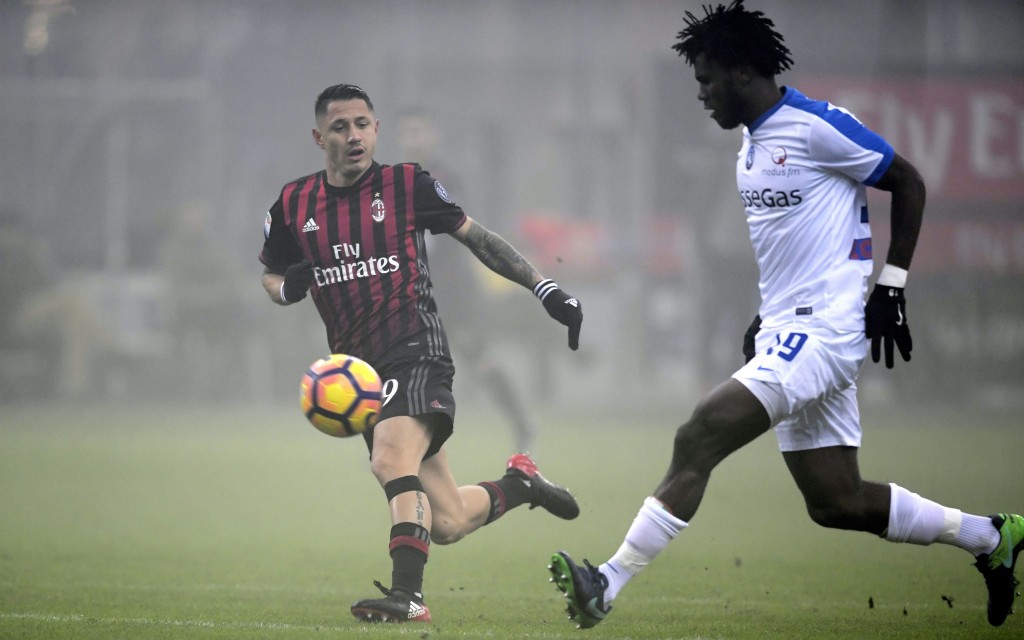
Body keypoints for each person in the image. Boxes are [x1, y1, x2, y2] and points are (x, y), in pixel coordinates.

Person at [546, 1, 1021, 630]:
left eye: (707, 79)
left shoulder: (819, 126)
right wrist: (763, 318)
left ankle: (606, 582)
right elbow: (797, 243)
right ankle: (992, 538)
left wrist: (892, 288)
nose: (702, 94)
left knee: (699, 433)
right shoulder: (749, 145)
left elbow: (908, 182)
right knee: (836, 501)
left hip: (823, 331)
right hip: (788, 325)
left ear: (743, 71)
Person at [259, 84, 583, 624]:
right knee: (449, 520)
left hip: (416, 349)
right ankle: (521, 484)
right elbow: (270, 274)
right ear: (320, 138)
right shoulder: (293, 204)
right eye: (340, 127)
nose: (353, 135)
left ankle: (408, 596)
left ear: (376, 129)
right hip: (358, 373)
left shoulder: (408, 184)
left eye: (363, 123)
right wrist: (287, 288)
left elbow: (479, 239)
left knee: (389, 459)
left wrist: (544, 287)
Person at [396, 106, 540, 453]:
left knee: (480, 362)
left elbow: (454, 233)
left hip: (453, 293)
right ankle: (401, 444)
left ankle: (522, 424)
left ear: (433, 136)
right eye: (408, 132)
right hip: (415, 293)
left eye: (420, 131)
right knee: (404, 367)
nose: (414, 138)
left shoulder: (447, 179)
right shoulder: (392, 182)